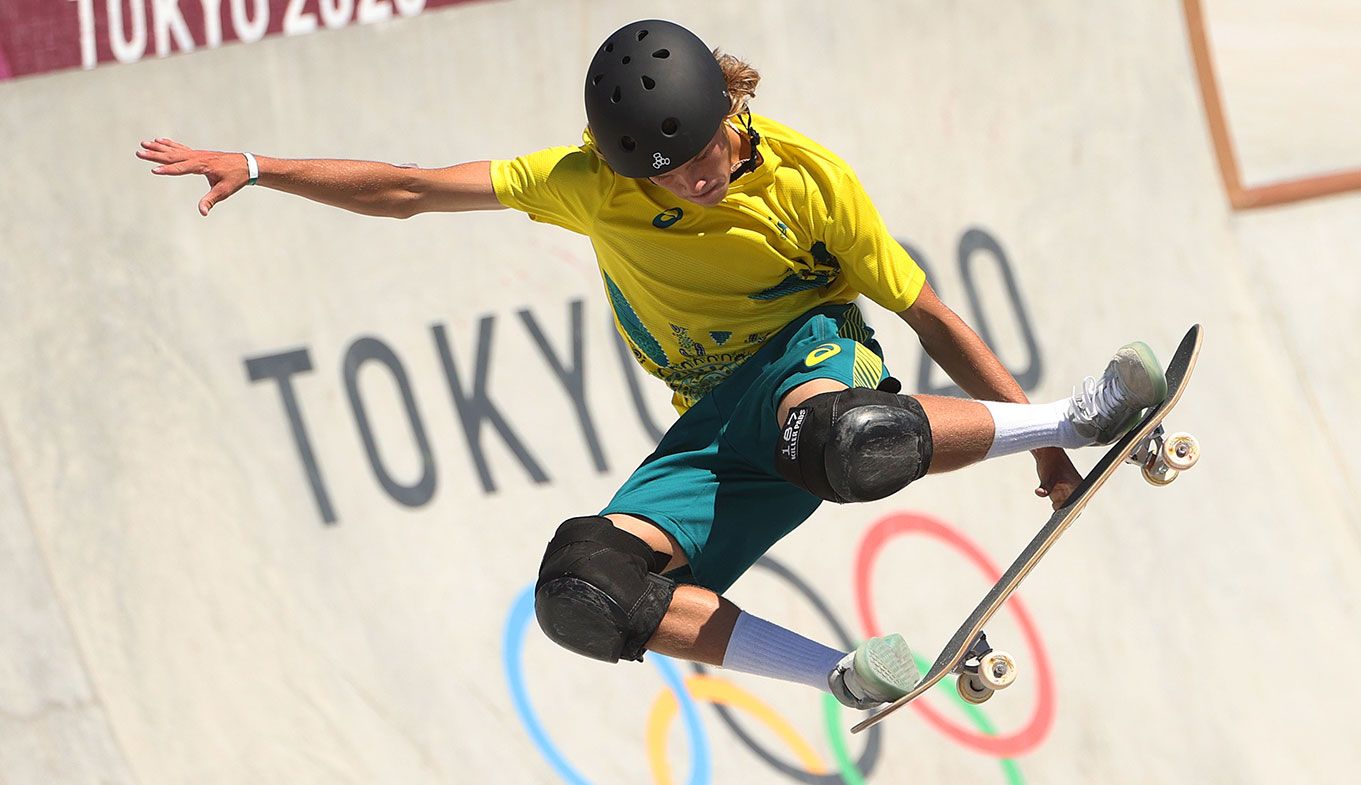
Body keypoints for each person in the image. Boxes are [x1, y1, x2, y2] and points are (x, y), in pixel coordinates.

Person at [138, 19, 1166, 710]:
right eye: (668, 172)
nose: (698, 178)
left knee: (844, 438)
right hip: (707, 421)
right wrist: (263, 169)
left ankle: (1080, 409)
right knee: (582, 588)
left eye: (708, 151)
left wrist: (1048, 440)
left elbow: (930, 314)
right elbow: (408, 188)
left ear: (730, 109)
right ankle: (844, 677)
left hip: (808, 359)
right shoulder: (587, 183)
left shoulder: (810, 184)